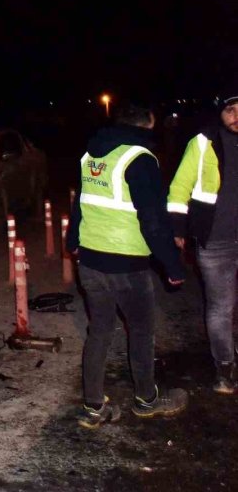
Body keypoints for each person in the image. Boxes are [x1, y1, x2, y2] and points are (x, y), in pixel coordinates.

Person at [67, 102, 188, 429]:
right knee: (141, 331)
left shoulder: (91, 155)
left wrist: (72, 241)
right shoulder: (139, 158)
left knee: (99, 331)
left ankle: (93, 407)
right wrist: (172, 266)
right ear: (148, 123)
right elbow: (153, 220)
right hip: (127, 264)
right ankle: (147, 400)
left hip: (90, 260)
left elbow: (80, 203)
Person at [168, 93, 238, 394]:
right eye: (231, 110)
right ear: (220, 112)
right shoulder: (202, 142)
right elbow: (179, 188)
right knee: (221, 306)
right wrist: (177, 228)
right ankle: (224, 368)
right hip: (215, 241)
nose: (236, 116)